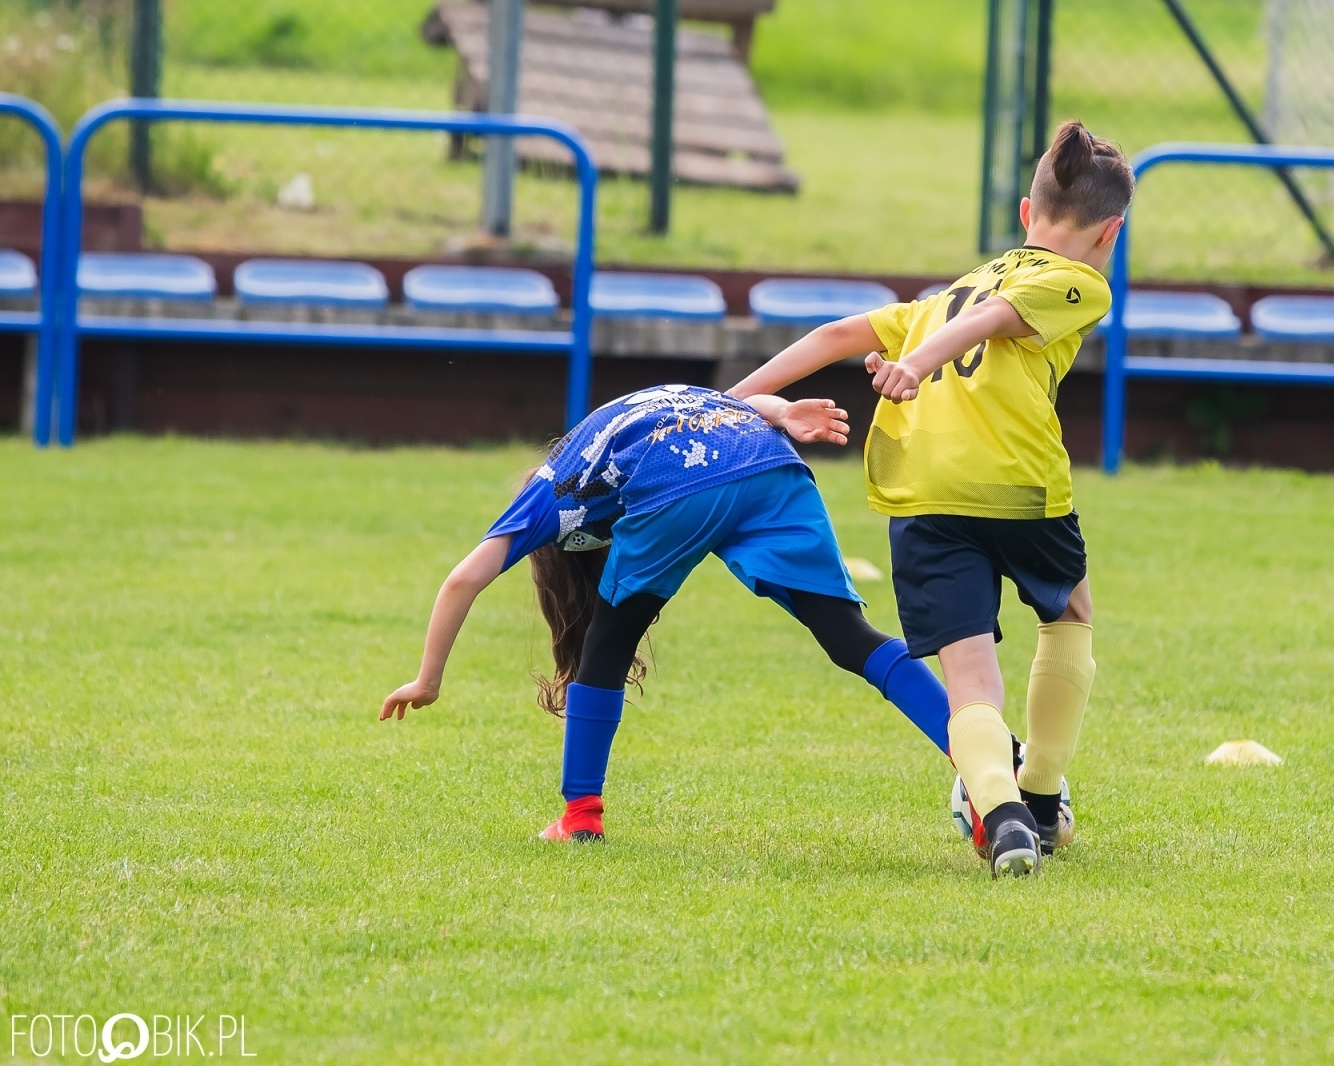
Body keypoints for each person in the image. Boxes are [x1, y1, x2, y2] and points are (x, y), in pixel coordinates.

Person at [729, 121, 1133, 877]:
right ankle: (1039, 797)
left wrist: (729, 400)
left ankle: (1001, 815)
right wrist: (912, 367)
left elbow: (838, 332)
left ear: (1024, 212)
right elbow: (1000, 322)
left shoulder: (949, 291)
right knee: (1069, 612)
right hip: (1016, 487)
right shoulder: (1083, 281)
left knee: (971, 677)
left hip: (921, 495)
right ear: (1112, 231)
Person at [380, 384, 951, 843]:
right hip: (768, 455)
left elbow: (464, 579)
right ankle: (988, 759)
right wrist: (784, 414)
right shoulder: (614, 437)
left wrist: (427, 680)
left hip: (682, 477)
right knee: (847, 635)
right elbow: (742, 401)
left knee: (605, 644)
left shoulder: (550, 491)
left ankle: (580, 817)